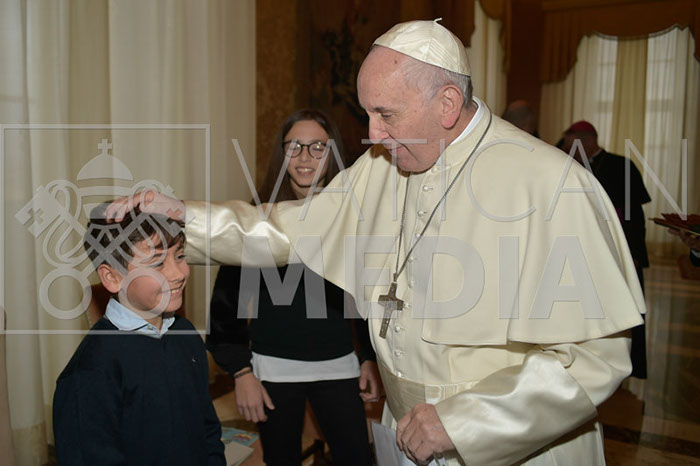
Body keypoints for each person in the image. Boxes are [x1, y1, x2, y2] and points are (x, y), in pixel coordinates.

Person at [108, 19, 645, 465]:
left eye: (386, 114)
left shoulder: (552, 185)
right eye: (369, 113)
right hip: (405, 431)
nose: (372, 134)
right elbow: (290, 229)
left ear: (447, 104)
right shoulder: (386, 163)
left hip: (511, 449)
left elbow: (593, 359)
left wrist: (464, 423)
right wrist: (185, 217)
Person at [206, 109, 378, 465]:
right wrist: (241, 372)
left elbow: (365, 291)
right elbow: (226, 304)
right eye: (294, 146)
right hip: (273, 371)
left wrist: (368, 357)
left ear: (332, 153)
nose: (304, 157)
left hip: (338, 366)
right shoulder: (258, 218)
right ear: (281, 153)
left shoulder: (351, 214)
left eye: (318, 147)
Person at [53, 205, 225, 465]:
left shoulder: (185, 333)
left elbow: (207, 429)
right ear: (112, 277)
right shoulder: (90, 371)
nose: (178, 274)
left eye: (180, 256)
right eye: (157, 263)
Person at [561, 120, 651, 379]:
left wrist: (634, 252)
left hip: (619, 250)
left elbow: (634, 215)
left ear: (588, 141)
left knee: (624, 308)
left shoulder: (621, 166)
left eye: (572, 144)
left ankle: (626, 365)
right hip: (582, 250)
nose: (568, 150)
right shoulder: (570, 166)